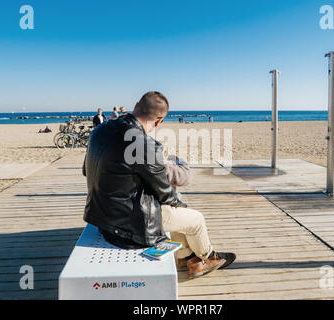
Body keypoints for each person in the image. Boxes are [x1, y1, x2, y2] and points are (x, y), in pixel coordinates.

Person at [83, 91, 235, 277]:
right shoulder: (144, 144)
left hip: (104, 219)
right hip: (128, 228)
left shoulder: (100, 130)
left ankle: (186, 259)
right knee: (195, 220)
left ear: (137, 104)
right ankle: (207, 258)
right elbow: (165, 194)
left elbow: (85, 170)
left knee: (178, 216)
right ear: (159, 121)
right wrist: (181, 205)